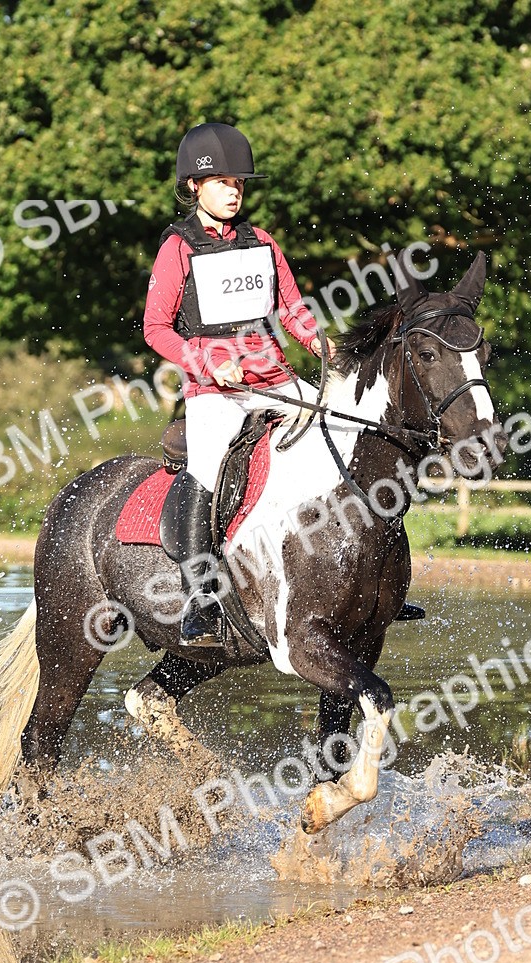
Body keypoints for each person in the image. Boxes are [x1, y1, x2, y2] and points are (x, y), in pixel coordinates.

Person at [144, 121, 335, 647]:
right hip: (216, 392)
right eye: (224, 183)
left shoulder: (262, 242)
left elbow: (292, 308)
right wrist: (206, 362)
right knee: (205, 471)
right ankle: (200, 600)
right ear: (194, 187)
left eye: (239, 184)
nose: (234, 192)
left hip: (274, 378)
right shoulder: (178, 249)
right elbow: (155, 328)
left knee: (339, 432)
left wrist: (316, 340)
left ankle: (356, 573)